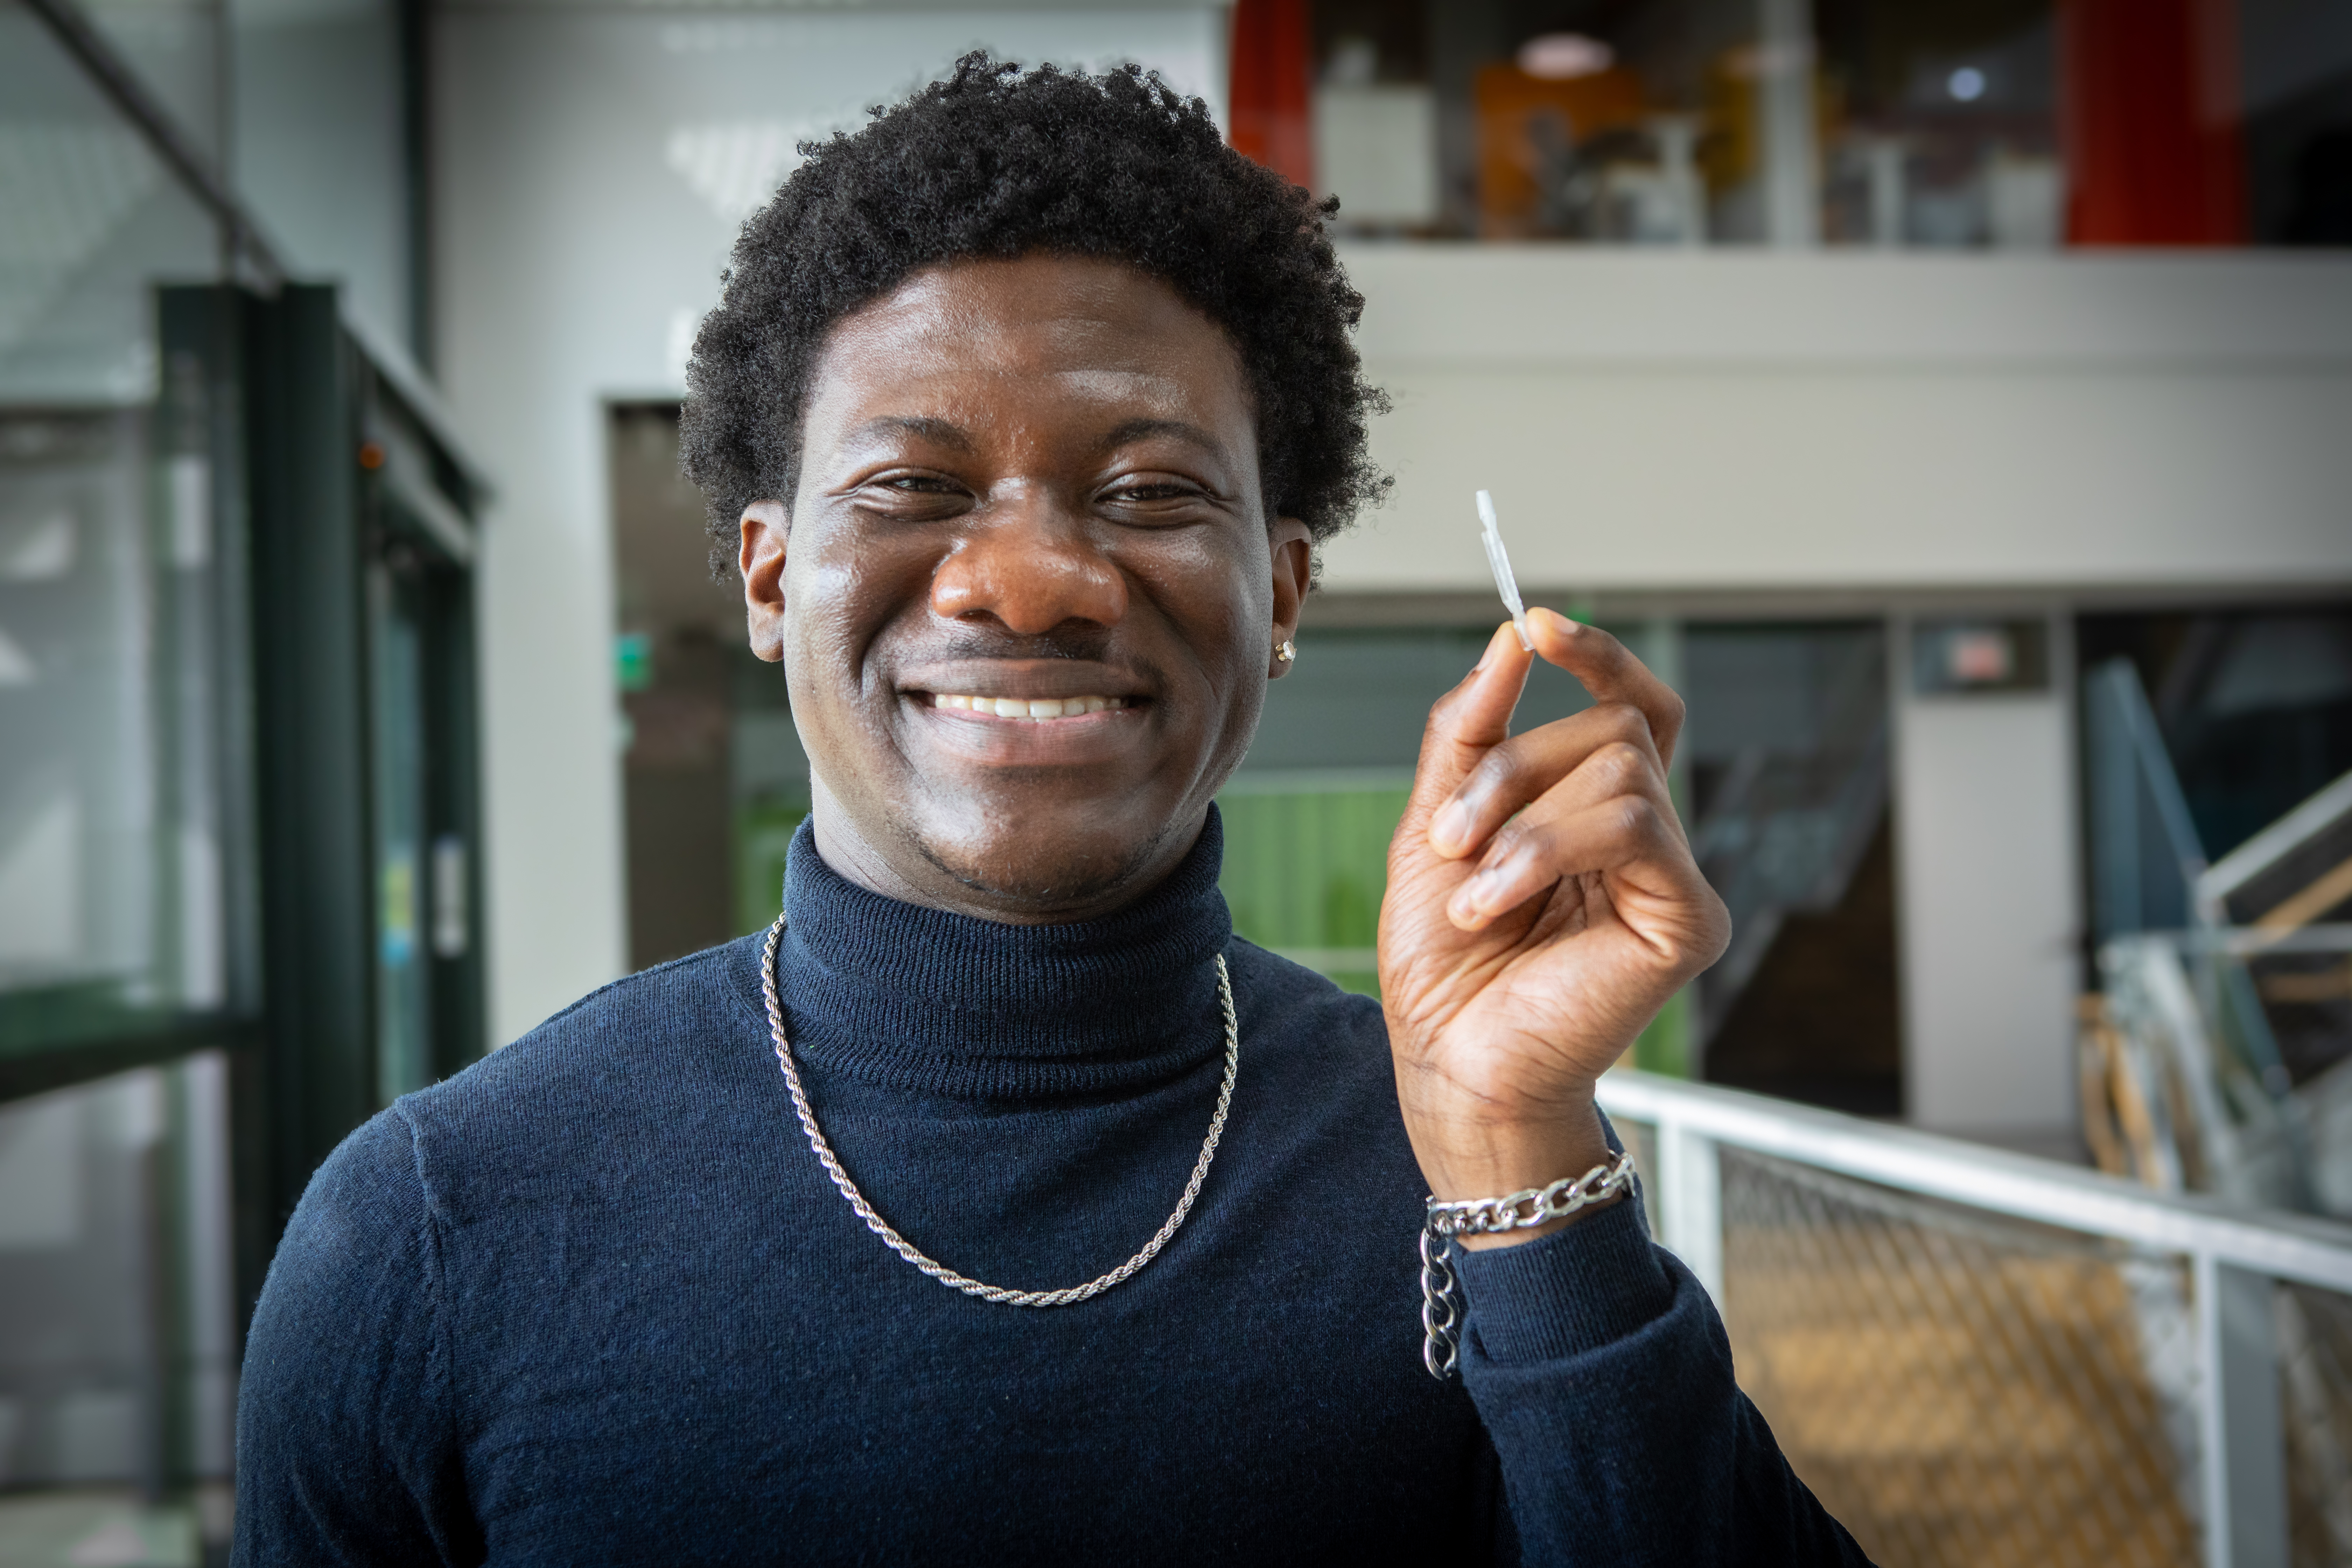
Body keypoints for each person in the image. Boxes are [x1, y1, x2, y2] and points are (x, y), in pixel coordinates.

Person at [233, 56, 1868, 1566]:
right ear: (769, 572)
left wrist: (1523, 1164)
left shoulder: (1471, 1165)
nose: (1026, 583)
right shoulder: (434, 1229)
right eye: (915, 490)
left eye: (1151, 491)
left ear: (1281, 589)